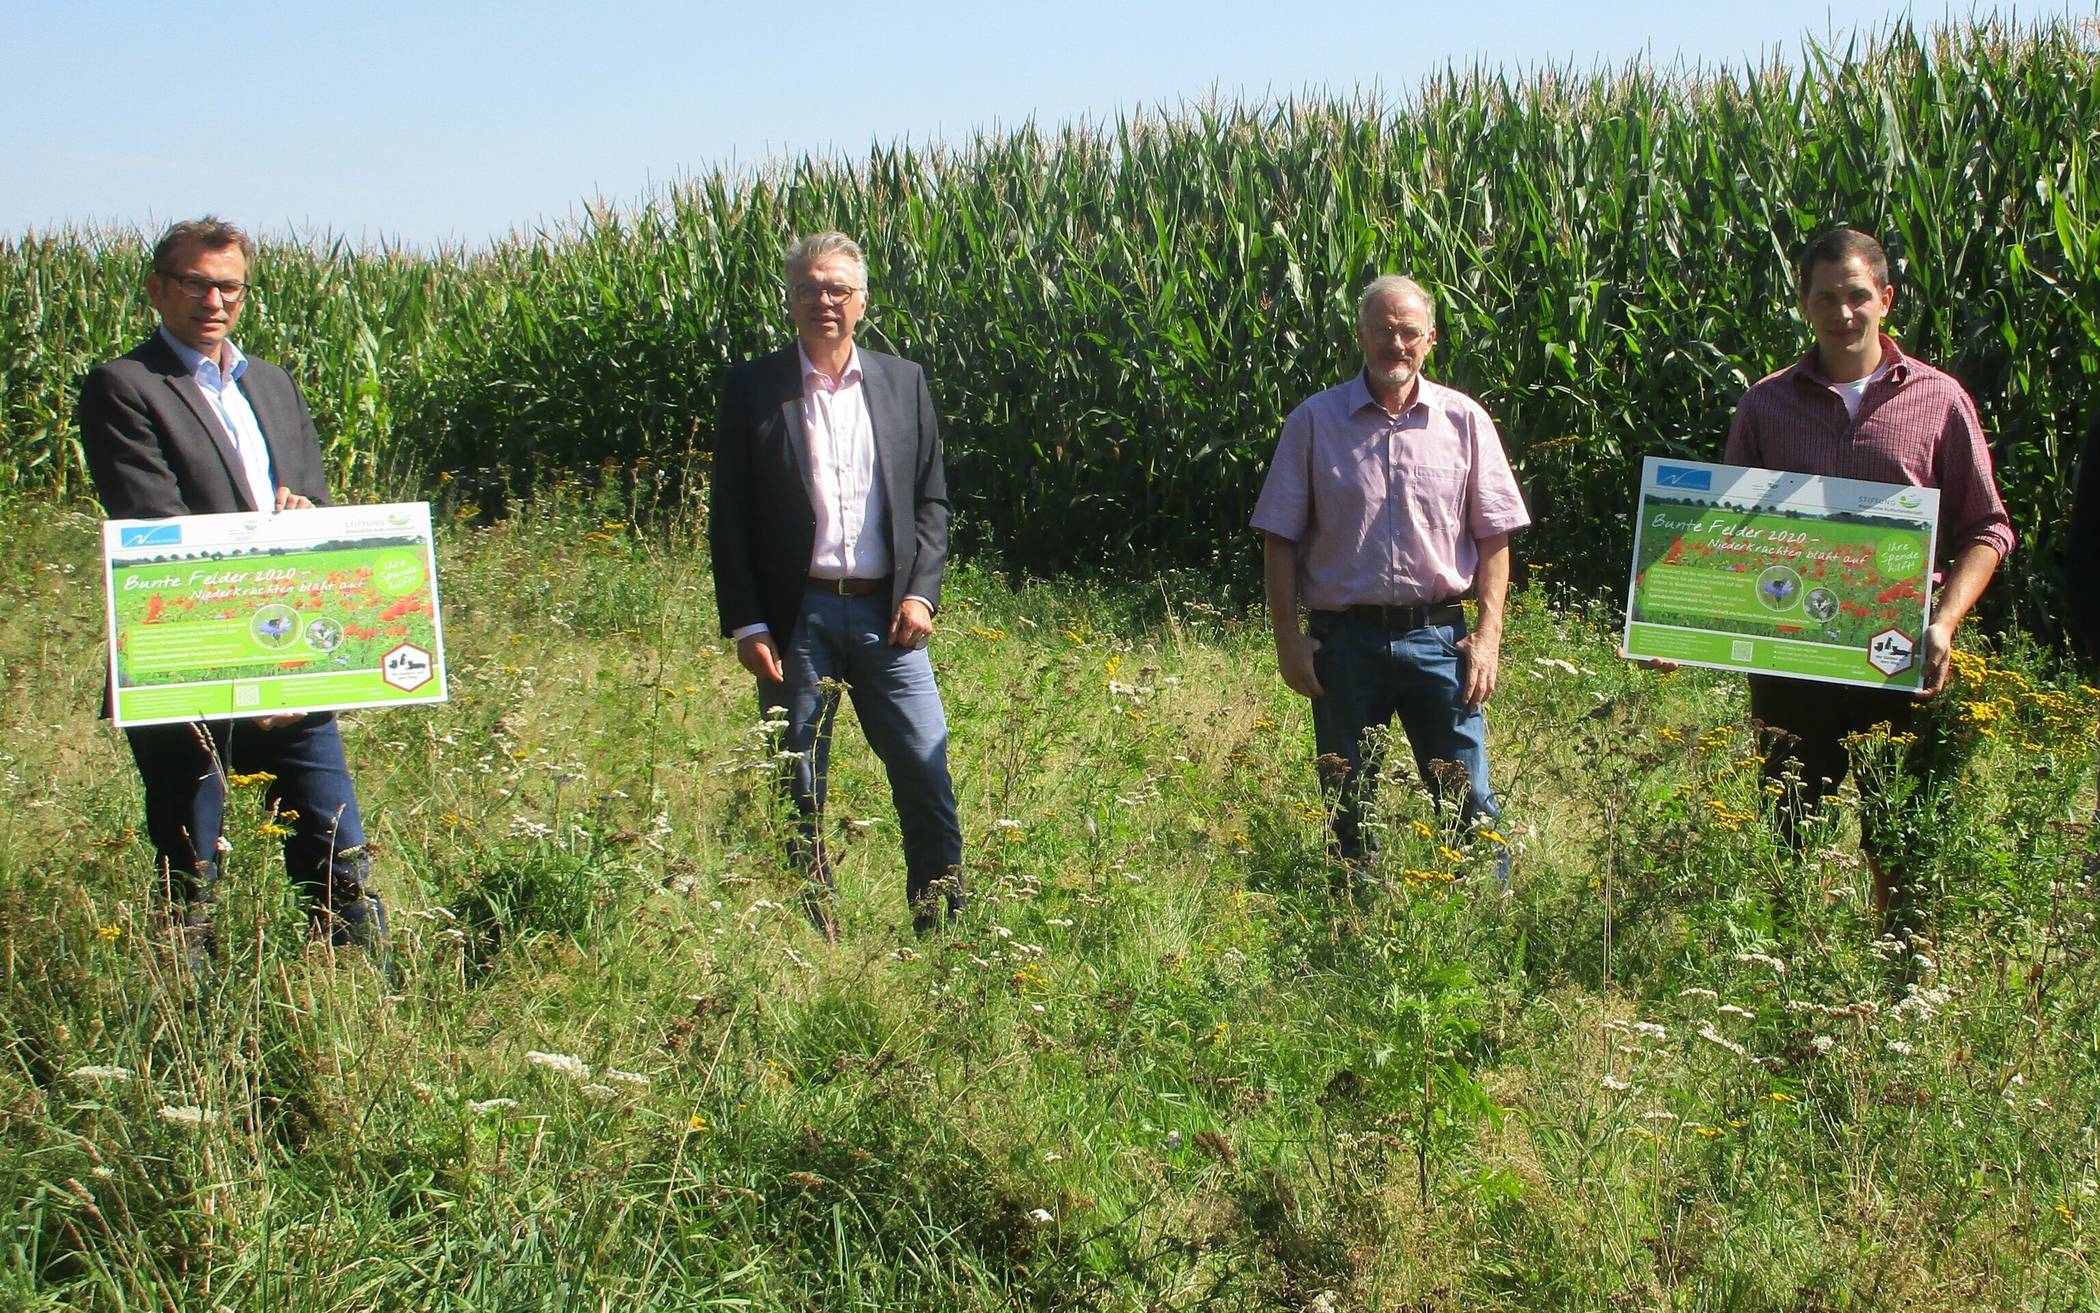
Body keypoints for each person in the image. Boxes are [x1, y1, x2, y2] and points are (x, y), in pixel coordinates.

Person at [77, 217, 387, 962]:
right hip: (189, 662)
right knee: (193, 857)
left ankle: (358, 1004)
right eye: (196, 283)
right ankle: (194, 1027)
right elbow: (159, 524)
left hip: (291, 665)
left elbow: (307, 499)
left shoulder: (271, 384)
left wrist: (306, 515)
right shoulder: (125, 385)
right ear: (158, 290)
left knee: (335, 842)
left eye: (230, 286)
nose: (214, 300)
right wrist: (247, 661)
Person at [1723, 226, 2014, 929]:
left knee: (1902, 834)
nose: (1842, 312)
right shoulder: (1765, 405)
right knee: (1788, 827)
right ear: (1803, 304)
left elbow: (1988, 528)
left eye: (1857, 295)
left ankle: (1904, 979)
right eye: (1826, 297)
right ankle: (1788, 975)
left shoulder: (1939, 400)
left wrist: (1943, 622)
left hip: (1897, 652)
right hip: (1792, 656)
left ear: (1884, 299)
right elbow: (1722, 531)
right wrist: (1681, 617)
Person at [710, 231, 965, 938]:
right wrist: (748, 622)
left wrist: (922, 591)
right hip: (798, 619)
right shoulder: (753, 389)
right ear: (790, 300)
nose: (823, 301)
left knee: (926, 769)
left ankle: (941, 929)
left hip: (890, 616)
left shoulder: (902, 381)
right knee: (798, 786)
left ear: (862, 302)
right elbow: (728, 515)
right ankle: (814, 937)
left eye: (837, 289)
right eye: (809, 288)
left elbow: (931, 501)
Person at [1252, 275, 1531, 882]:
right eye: (1383, 330)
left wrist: (1488, 637)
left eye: (1408, 332)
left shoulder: (1465, 421)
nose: (1395, 343)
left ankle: (1482, 919)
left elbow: (1494, 537)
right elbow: (1280, 539)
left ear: (1429, 339)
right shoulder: (1313, 423)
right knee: (1350, 805)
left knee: (1469, 802)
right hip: (1345, 643)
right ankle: (1356, 922)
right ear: (1361, 336)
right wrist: (1288, 640)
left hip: (1439, 641)